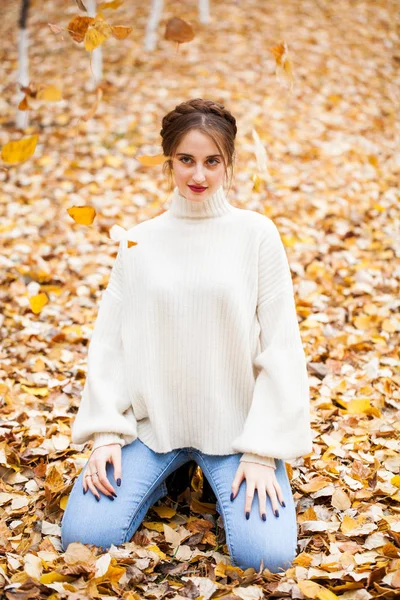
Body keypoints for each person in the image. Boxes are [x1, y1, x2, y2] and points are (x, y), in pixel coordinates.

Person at [60, 98, 313, 573]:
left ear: (228, 163)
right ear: (169, 161)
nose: (199, 175)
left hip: (238, 432)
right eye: (187, 160)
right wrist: (106, 434)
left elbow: (282, 347)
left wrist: (261, 453)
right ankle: (166, 477)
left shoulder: (257, 235)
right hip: (154, 429)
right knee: (84, 538)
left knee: (267, 557)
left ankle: (227, 477)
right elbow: (111, 341)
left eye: (212, 161)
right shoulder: (139, 240)